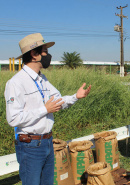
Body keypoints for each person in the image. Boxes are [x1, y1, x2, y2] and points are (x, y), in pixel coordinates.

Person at [4, 33, 91, 185]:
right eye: (44, 51)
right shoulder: (16, 83)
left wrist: (75, 97)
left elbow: (57, 101)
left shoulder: (42, 79)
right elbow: (13, 119)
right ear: (34, 54)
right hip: (30, 147)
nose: (47, 55)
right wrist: (44, 110)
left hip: (47, 143)